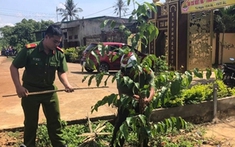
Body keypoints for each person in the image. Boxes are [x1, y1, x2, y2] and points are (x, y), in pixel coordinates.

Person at [10, 24, 74, 147]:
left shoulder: (58, 53)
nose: (57, 44)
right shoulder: (30, 50)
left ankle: (59, 145)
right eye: (55, 41)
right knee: (31, 122)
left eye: (59, 42)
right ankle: (28, 145)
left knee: (55, 121)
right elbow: (14, 67)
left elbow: (61, 72)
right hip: (30, 92)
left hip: (49, 91)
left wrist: (67, 84)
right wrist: (18, 87)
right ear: (47, 37)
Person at [110, 52, 155, 147]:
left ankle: (144, 143)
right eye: (125, 70)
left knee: (144, 125)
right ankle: (115, 144)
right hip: (127, 100)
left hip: (144, 101)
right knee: (121, 123)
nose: (127, 73)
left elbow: (152, 87)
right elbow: (123, 94)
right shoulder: (121, 76)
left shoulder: (147, 71)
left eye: (129, 70)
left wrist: (147, 99)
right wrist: (137, 98)